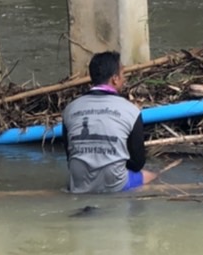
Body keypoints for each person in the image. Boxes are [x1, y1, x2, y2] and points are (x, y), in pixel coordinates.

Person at [61, 51, 157, 194]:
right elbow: (137, 163)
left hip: (79, 184)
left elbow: (70, 156)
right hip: (114, 184)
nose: (124, 80)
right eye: (123, 75)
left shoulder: (70, 109)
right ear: (115, 79)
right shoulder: (131, 111)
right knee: (152, 176)